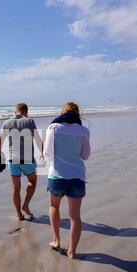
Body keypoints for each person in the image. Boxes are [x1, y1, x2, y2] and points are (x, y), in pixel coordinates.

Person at [44, 102, 91, 259]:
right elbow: (85, 155)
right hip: (77, 176)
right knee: (75, 216)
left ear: (63, 112)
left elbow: (48, 153)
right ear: (78, 114)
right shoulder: (84, 131)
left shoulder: (54, 128)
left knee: (54, 206)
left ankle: (56, 241)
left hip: (57, 175)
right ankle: (72, 250)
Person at [0, 103, 44, 221]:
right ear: (26, 112)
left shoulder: (6, 122)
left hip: (12, 160)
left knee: (15, 187)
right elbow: (38, 139)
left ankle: (19, 214)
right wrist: (43, 153)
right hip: (27, 160)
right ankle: (25, 205)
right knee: (32, 181)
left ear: (15, 111)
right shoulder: (29, 121)